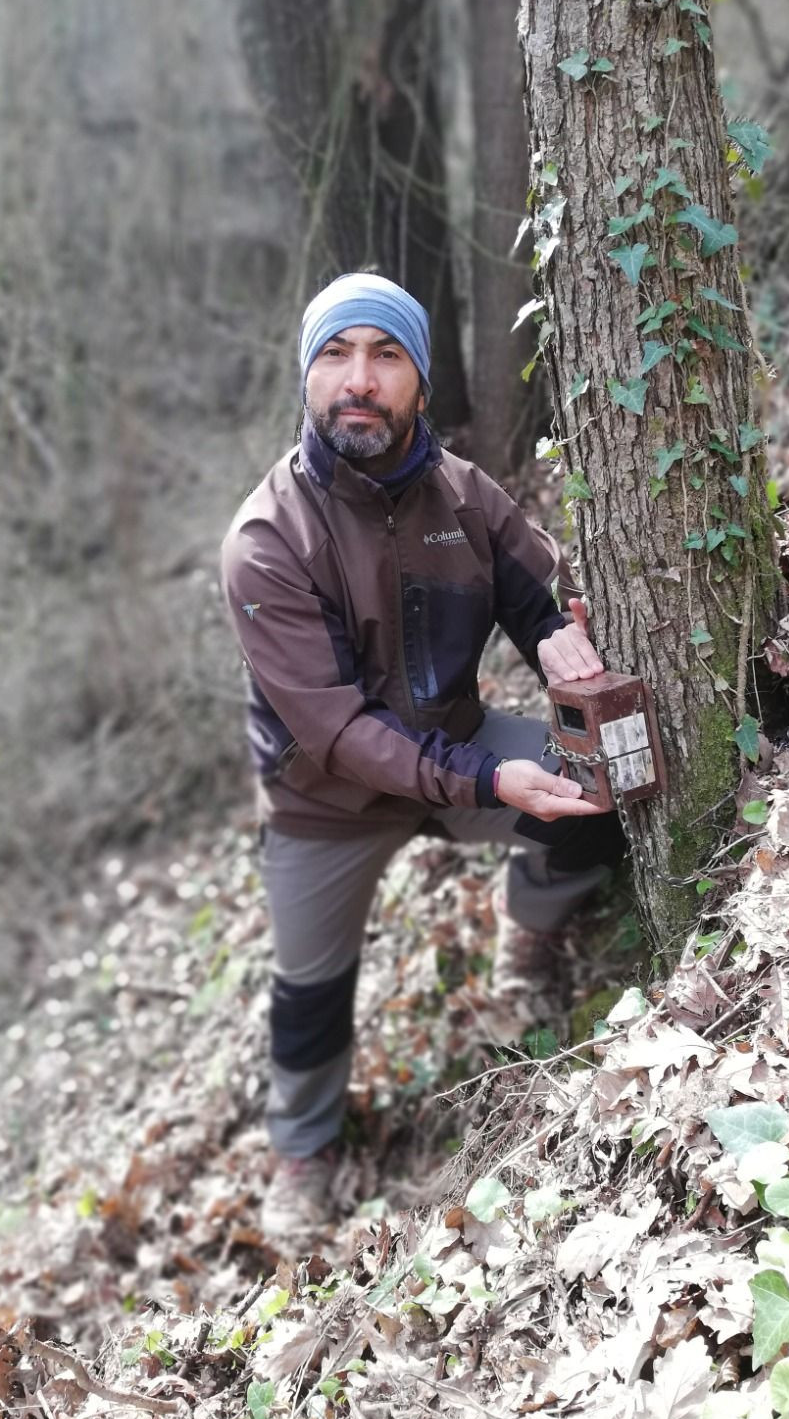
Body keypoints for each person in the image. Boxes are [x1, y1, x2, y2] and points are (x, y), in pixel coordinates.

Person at [220, 272, 626, 1245]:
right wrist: (486, 778)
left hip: (451, 744)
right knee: (310, 991)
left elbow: (539, 596)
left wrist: (568, 644)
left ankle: (525, 937)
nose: (359, 379)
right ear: (308, 377)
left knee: (597, 792)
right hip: (329, 800)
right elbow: (340, 733)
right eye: (337, 355)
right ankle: (303, 1149)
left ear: (419, 381)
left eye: (386, 355)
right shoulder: (266, 540)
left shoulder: (466, 496)